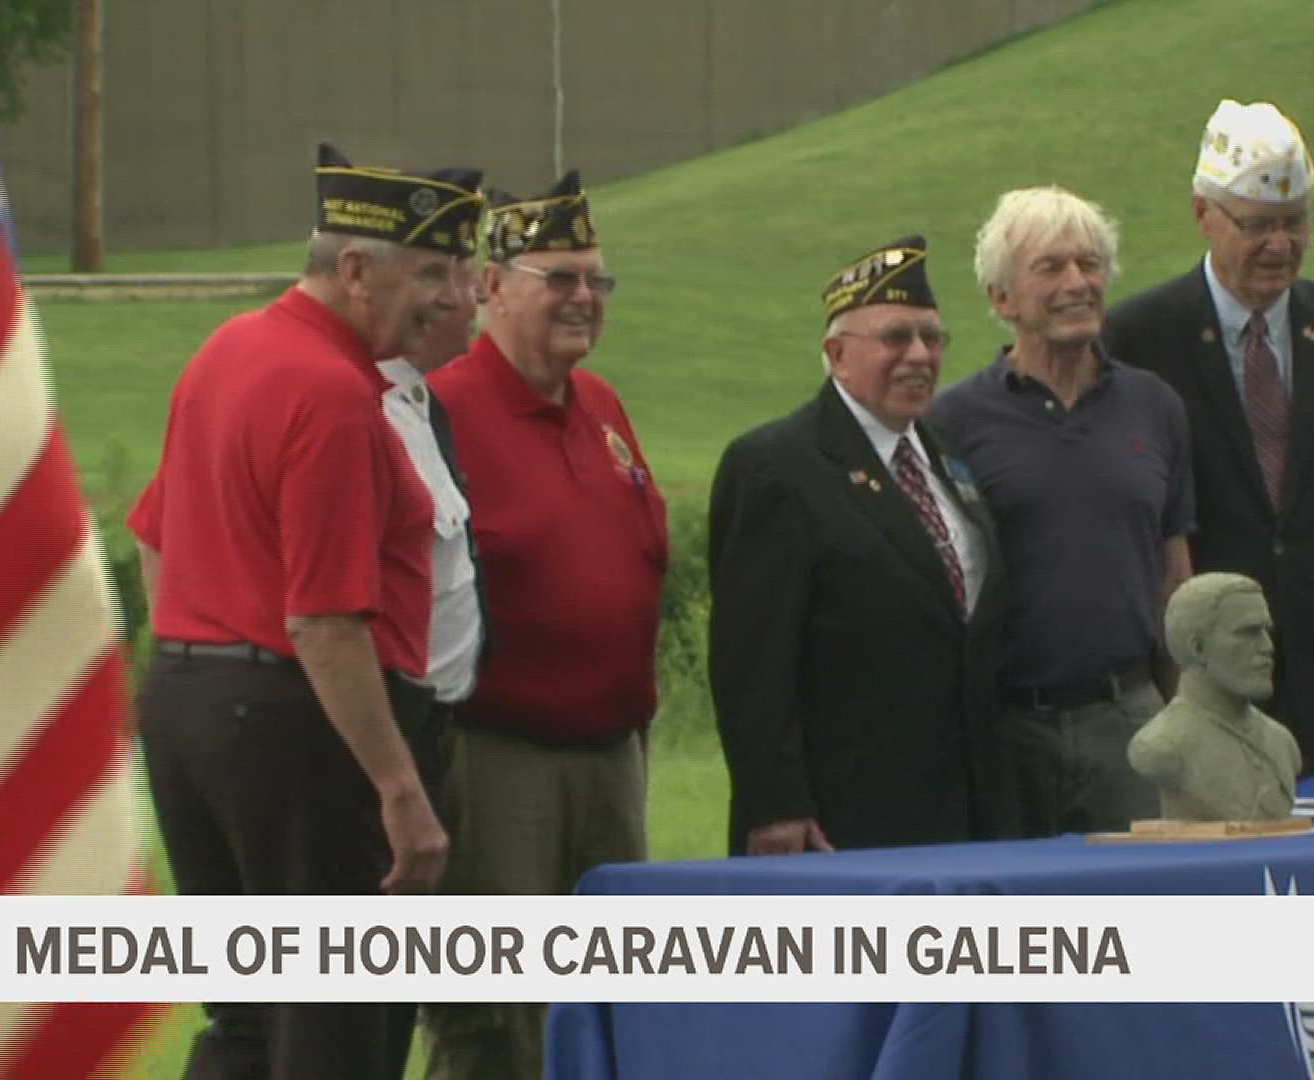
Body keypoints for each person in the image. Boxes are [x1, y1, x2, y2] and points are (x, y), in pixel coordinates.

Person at [129, 142, 483, 1080]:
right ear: (357, 269)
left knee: (247, 1015)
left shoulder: (228, 349)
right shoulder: (331, 395)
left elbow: (153, 536)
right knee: (339, 1026)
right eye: (431, 273)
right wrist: (400, 790)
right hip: (299, 726)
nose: (447, 297)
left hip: (188, 703)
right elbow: (324, 621)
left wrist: (201, 660)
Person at [422, 171, 664, 1080]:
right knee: (501, 1018)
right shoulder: (440, 409)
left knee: (612, 1005)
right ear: (491, 287)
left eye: (596, 281)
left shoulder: (600, 409)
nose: (583, 299)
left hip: (610, 755)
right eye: (558, 278)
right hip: (494, 758)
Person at [1102, 100, 1314, 774]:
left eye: (1295, 224)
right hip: (1202, 682)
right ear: (1202, 215)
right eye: (1256, 226)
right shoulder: (1138, 337)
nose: (1280, 247)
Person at [708, 235, 1005, 855]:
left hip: (966, 806)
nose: (920, 356)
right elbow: (752, 660)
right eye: (896, 338)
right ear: (836, 354)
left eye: (932, 337)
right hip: (843, 817)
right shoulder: (777, 467)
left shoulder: (945, 454)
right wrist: (776, 805)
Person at [926, 188, 1196, 839]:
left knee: (1145, 918)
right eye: (1051, 268)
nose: (1078, 283)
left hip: (1128, 721)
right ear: (1001, 299)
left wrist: (1188, 720)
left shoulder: (1154, 407)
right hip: (1007, 727)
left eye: (1090, 264)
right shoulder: (952, 423)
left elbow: (1175, 580)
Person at [376, 252, 485, 815]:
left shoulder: (417, 402)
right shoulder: (354, 403)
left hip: (432, 728)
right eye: (447, 279)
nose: (470, 301)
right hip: (381, 737)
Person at [1128, 573, 1301, 822]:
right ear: (1197, 648)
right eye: (1248, 632)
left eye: (1266, 631)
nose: (1267, 646)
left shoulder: (1281, 742)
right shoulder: (1160, 746)